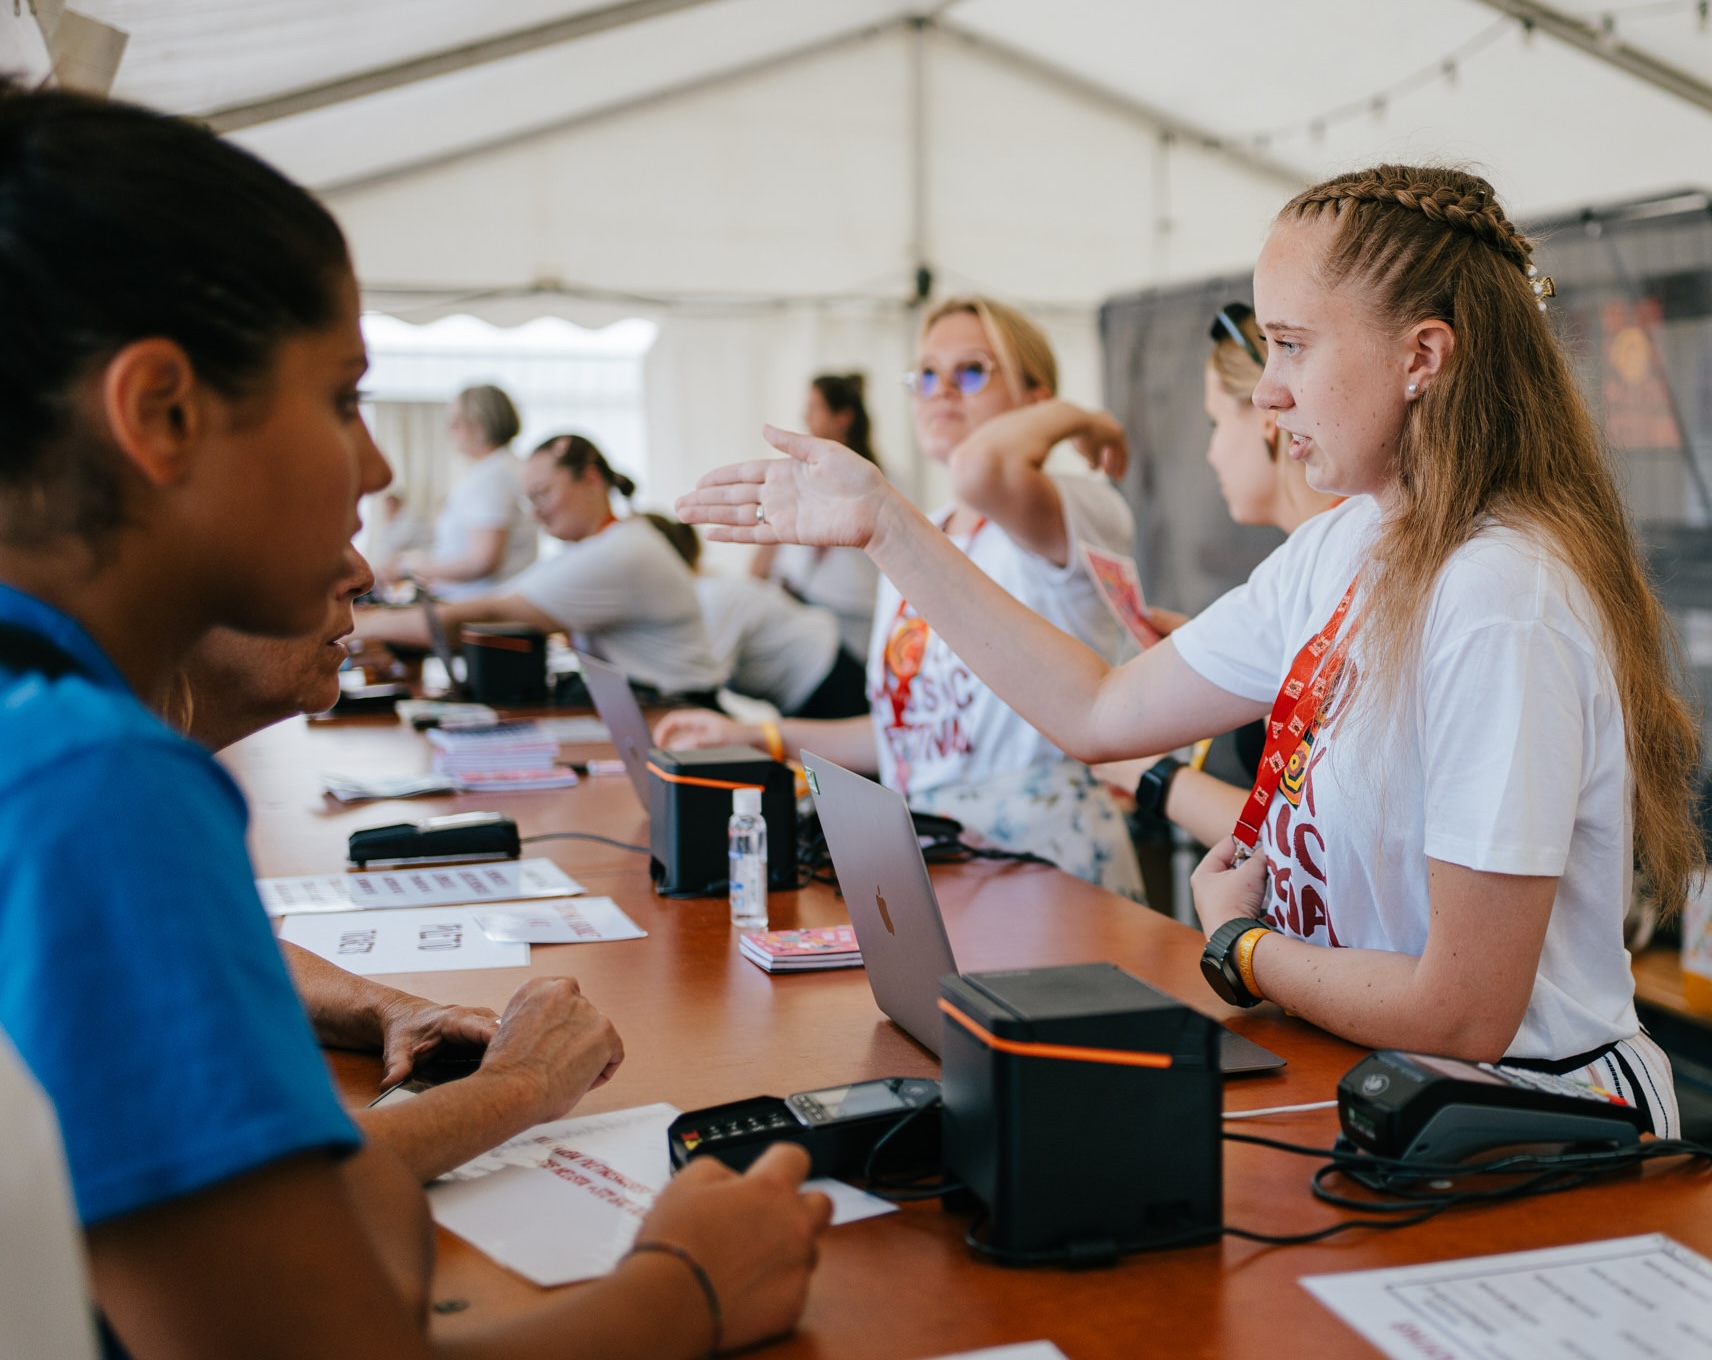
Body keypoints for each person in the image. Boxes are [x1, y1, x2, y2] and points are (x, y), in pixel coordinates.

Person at [0, 84, 827, 1359]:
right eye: (343, 399)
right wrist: (688, 1288)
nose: (378, 470)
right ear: (161, 413)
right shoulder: (95, 785)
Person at [677, 167, 1704, 1134]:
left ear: (1421, 357)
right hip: (1386, 1081)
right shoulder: (1345, 545)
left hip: (1533, 1123)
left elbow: (1463, 1008)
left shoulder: (1498, 596)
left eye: (1291, 346)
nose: (1266, 394)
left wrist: (1243, 947)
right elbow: (1098, 711)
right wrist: (886, 526)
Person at [662, 298, 1145, 900]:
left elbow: (980, 468)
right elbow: (901, 736)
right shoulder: (918, 529)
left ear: (1035, 398)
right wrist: (760, 735)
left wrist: (1080, 418)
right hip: (940, 860)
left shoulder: (1078, 506)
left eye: (972, 370)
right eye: (927, 375)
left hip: (1048, 872)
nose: (942, 391)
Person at [1123, 301, 1344, 849]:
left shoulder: (1338, 569)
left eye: (1215, 422)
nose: (1211, 452)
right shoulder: (1311, 571)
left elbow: (1312, 842)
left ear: (1269, 418)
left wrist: (1148, 775)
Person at [357, 433, 726, 701]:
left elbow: (487, 615)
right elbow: (497, 600)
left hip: (677, 710)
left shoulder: (615, 554)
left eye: (543, 494)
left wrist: (360, 624)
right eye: (529, 501)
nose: (535, 513)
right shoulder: (600, 546)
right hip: (656, 702)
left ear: (591, 479)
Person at [646, 514, 868, 720]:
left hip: (828, 677)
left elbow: (700, 683)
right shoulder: (702, 594)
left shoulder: (711, 597)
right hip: (811, 680)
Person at [749, 373, 881, 660]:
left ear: (843, 417)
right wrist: (753, 587)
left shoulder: (880, 481)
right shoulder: (795, 475)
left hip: (851, 618)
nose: (805, 417)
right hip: (797, 605)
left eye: (814, 408)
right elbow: (768, 544)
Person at [395, 384, 538, 599]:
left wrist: (412, 567)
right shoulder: (504, 466)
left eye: (455, 423)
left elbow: (483, 561)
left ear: (479, 424)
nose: (449, 432)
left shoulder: (492, 476)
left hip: (481, 606)